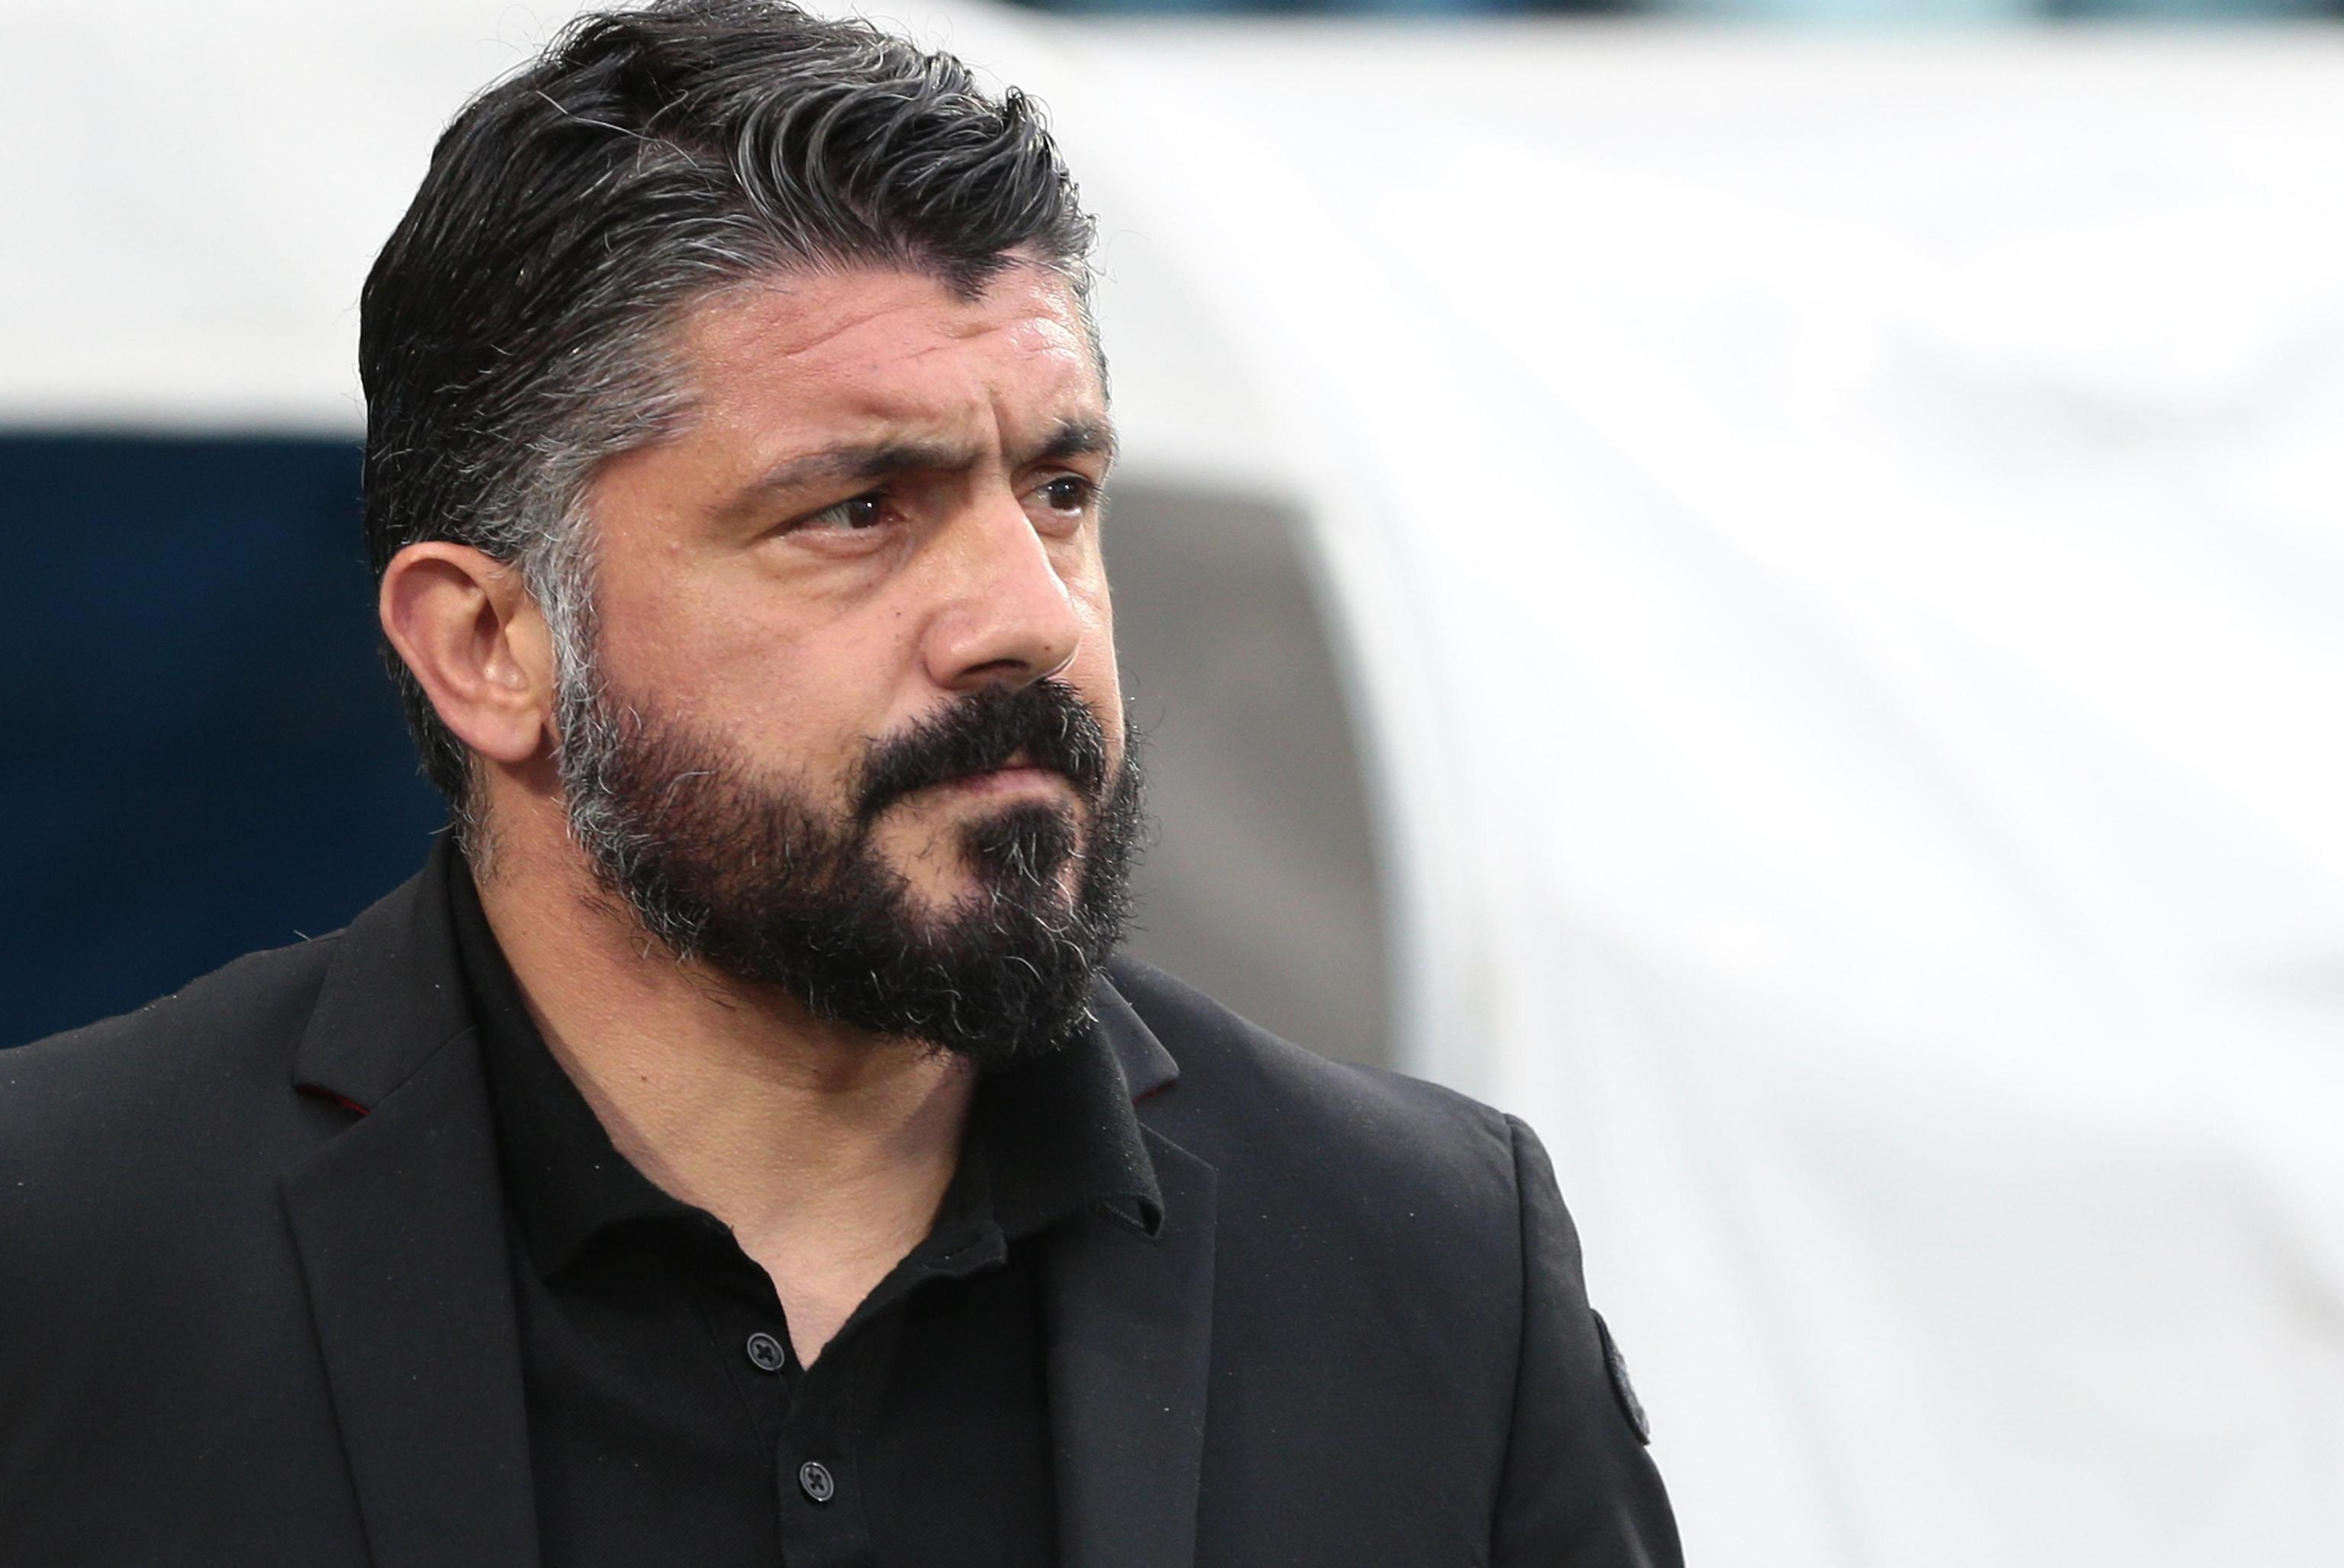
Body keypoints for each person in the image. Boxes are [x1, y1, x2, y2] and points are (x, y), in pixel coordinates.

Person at [0, 2, 1679, 1563]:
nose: (1030, 614)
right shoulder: (64, 1253)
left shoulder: (1434, 1268)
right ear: (491, 644)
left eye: (1063, 487)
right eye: (859, 509)